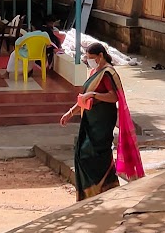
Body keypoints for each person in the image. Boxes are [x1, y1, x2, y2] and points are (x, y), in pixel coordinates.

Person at [59, 42, 144, 200]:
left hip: (103, 121)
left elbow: (113, 97)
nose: (90, 60)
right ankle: (93, 191)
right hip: (90, 121)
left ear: (101, 56)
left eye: (92, 58)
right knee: (81, 153)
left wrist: (94, 95)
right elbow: (84, 98)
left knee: (95, 154)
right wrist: (70, 113)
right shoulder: (94, 72)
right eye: (88, 58)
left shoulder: (107, 73)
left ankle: (105, 187)